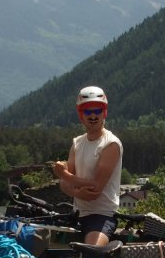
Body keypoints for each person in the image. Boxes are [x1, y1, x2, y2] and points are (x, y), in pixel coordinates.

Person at [52, 85, 123, 245]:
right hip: (77, 214)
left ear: (104, 112)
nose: (92, 115)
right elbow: (64, 184)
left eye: (97, 110)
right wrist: (76, 191)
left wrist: (66, 176)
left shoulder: (111, 144)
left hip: (101, 215)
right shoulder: (77, 143)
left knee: (91, 255)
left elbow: (96, 187)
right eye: (87, 111)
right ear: (80, 115)